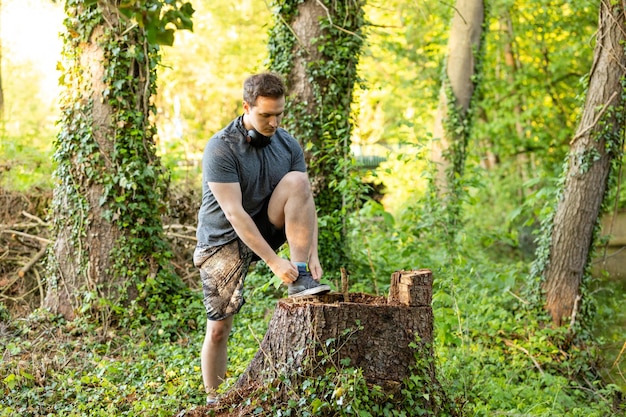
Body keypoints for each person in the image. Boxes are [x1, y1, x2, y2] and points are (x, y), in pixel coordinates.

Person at [193, 72, 331, 404]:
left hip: (265, 224)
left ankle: (299, 280)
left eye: (278, 114)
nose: (273, 121)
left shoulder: (288, 145)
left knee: (298, 181)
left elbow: (303, 201)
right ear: (246, 107)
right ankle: (215, 402)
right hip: (223, 240)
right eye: (265, 115)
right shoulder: (221, 147)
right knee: (218, 329)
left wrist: (311, 254)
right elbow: (234, 213)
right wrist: (273, 261)